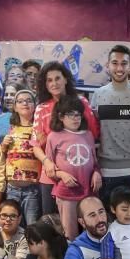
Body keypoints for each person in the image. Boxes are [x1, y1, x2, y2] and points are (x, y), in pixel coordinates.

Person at [32, 62, 100, 215]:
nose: (54, 83)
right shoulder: (41, 108)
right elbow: (36, 145)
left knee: (83, 221)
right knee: (52, 224)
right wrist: (47, 161)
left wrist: (95, 170)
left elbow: (92, 136)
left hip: (81, 177)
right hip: (50, 176)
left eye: (57, 78)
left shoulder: (82, 102)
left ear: (66, 80)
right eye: (49, 80)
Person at [90, 45, 130, 204]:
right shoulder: (98, 96)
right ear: (108, 66)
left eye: (124, 63)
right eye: (115, 63)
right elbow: (92, 136)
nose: (119, 68)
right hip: (106, 173)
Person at [46, 96, 102, 239]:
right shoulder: (54, 136)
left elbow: (94, 162)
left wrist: (96, 173)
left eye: (78, 114)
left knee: (93, 228)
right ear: (61, 117)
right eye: (71, 115)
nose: (75, 118)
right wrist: (62, 175)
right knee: (70, 233)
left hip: (88, 190)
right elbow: (50, 168)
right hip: (67, 192)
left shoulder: (88, 135)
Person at [1, 89, 42, 225]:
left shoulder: (39, 128)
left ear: (35, 105)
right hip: (12, 187)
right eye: (20, 101)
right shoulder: (11, 128)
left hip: (32, 189)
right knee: (12, 226)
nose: (25, 103)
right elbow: (2, 155)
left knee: (32, 225)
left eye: (29, 100)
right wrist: (3, 146)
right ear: (15, 107)